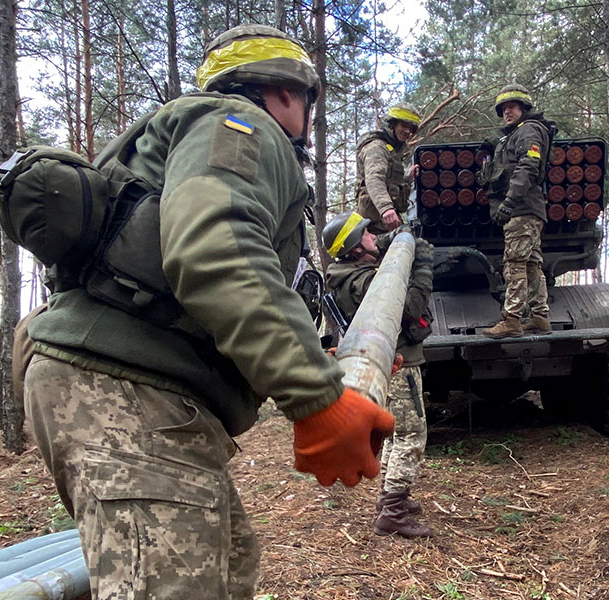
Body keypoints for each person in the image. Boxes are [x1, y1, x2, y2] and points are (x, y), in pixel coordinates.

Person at [22, 25, 395, 600]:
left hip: (134, 389)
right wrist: (315, 396)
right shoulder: (240, 127)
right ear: (288, 92)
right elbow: (215, 250)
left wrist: (318, 358)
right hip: (126, 393)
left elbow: (206, 288)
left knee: (231, 565)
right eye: (308, 103)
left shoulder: (197, 135)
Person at [322, 212, 435, 538]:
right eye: (368, 234)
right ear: (356, 248)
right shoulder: (365, 282)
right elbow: (409, 308)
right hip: (398, 363)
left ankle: (390, 496)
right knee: (411, 435)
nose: (375, 236)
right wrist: (423, 267)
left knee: (396, 435)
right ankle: (393, 512)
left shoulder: (350, 274)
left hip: (390, 361)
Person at [481, 84, 552, 338]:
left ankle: (511, 320)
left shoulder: (529, 130)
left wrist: (509, 201)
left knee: (514, 263)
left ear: (523, 107)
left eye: (511, 107)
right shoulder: (515, 135)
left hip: (521, 209)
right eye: (503, 109)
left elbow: (528, 166)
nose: (507, 112)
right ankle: (540, 317)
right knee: (532, 264)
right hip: (529, 209)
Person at [355, 102, 422, 234]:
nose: (407, 131)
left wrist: (407, 179)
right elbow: (374, 178)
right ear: (392, 124)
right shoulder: (377, 147)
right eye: (403, 126)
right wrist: (385, 208)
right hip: (374, 227)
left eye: (411, 129)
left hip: (386, 224)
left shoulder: (391, 150)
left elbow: (389, 183)